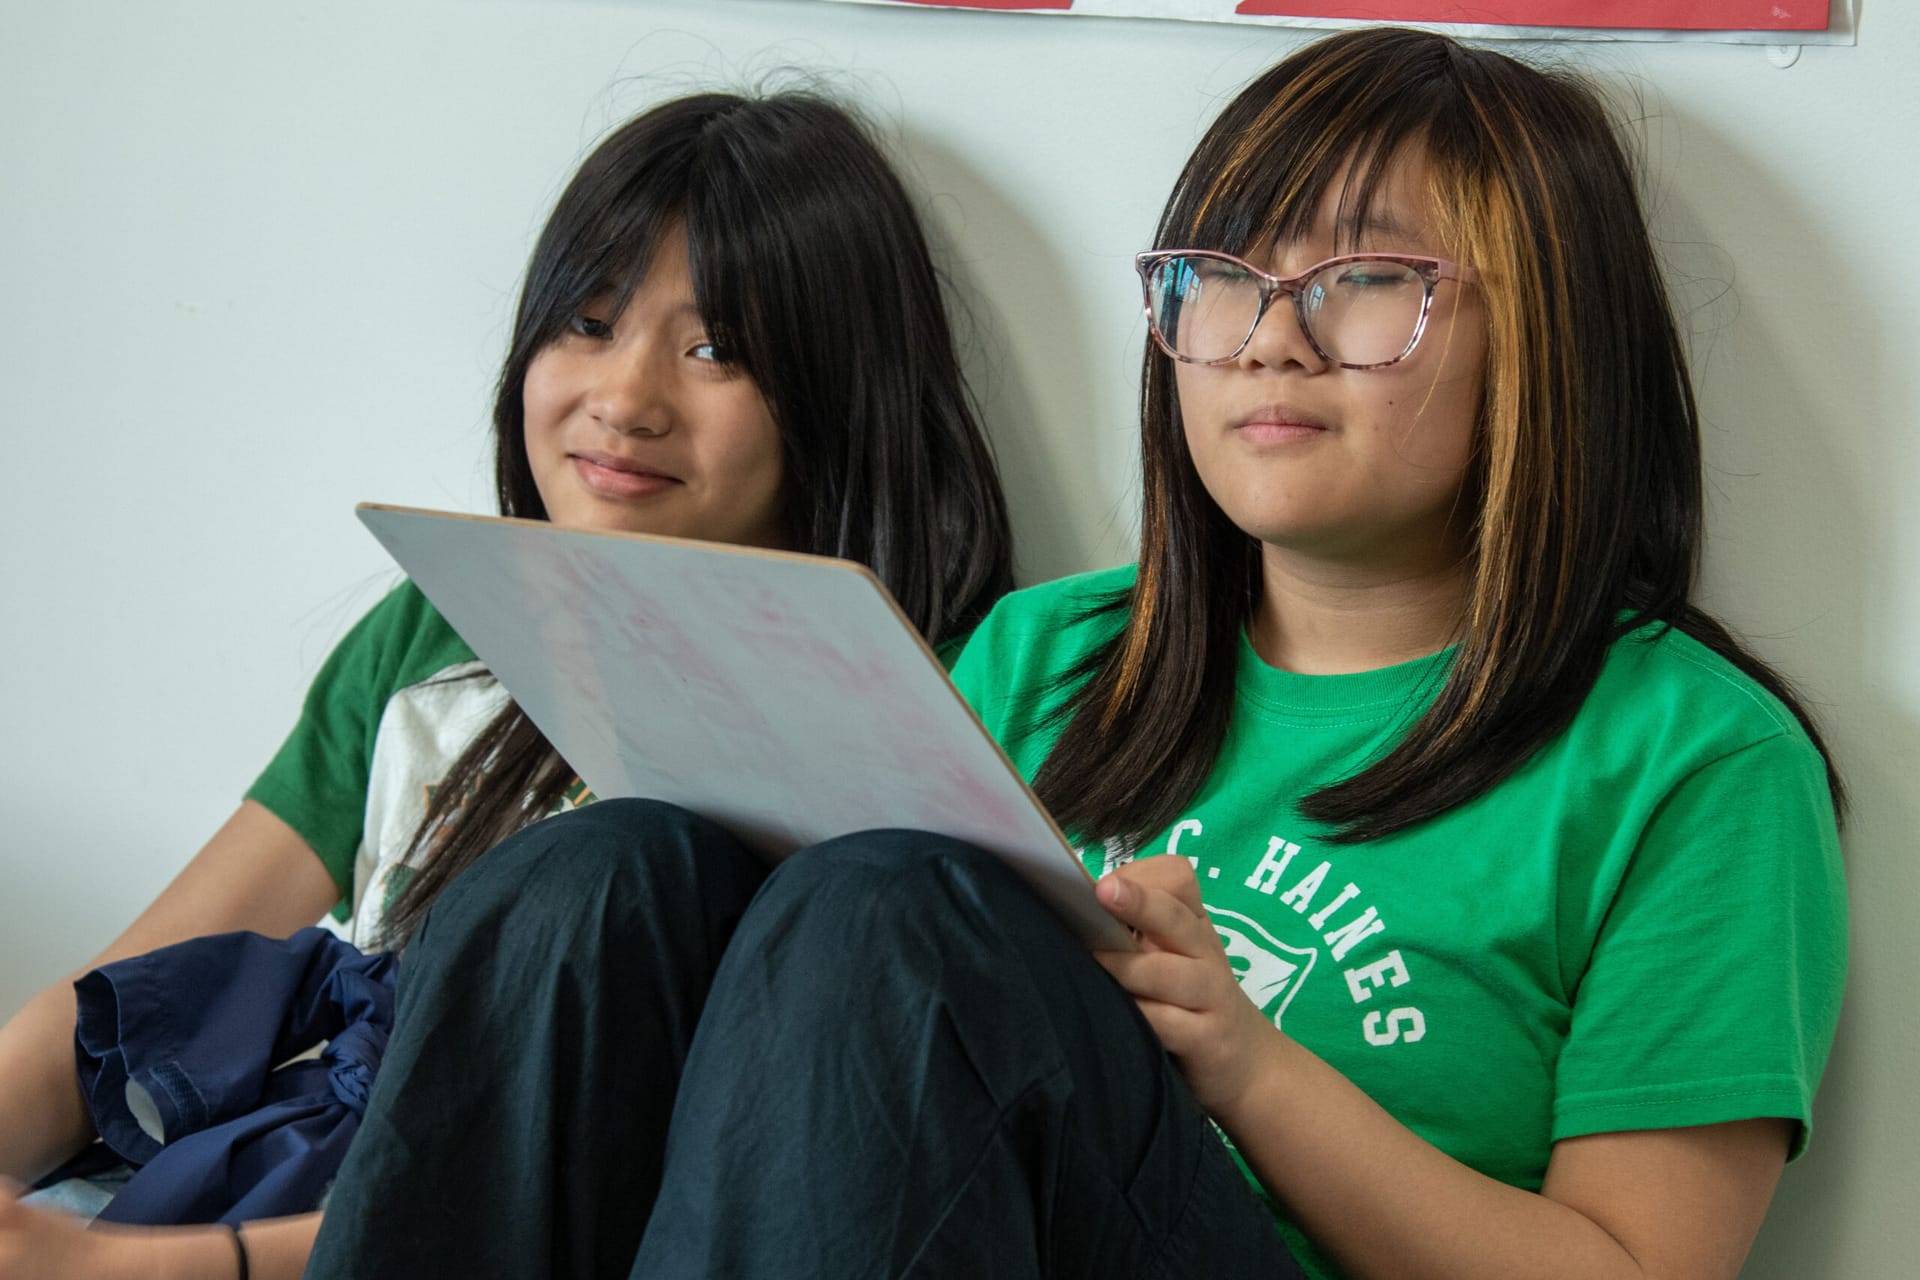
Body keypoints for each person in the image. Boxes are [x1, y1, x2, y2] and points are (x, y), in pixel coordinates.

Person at [297, 27, 1846, 1280]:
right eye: (1221, 278)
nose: (1268, 338)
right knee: (603, 871)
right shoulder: (1051, 652)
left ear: (1554, 337)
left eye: (1366, 281)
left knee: (901, 909)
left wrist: (1244, 1062)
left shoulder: (1692, 759)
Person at [0, 90, 1014, 1280]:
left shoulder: (906, 734)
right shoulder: (440, 625)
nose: (624, 400)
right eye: (586, 322)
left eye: (715, 349)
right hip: (241, 1186)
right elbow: (140, 981)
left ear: (839, 395)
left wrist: (126, 1269)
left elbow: (595, 1203)